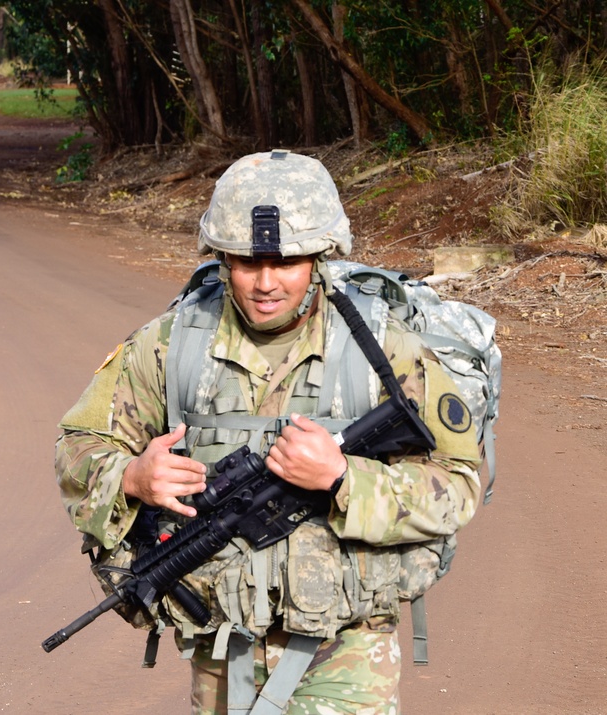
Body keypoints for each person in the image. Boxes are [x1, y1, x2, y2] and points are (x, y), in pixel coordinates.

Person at [54, 151, 482, 714]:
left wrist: (342, 477)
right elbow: (78, 448)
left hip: (347, 646)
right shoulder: (171, 344)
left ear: (322, 256)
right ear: (222, 258)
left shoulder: (380, 349)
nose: (265, 282)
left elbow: (458, 483)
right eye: (246, 262)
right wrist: (132, 476)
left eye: (287, 261)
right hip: (220, 640)